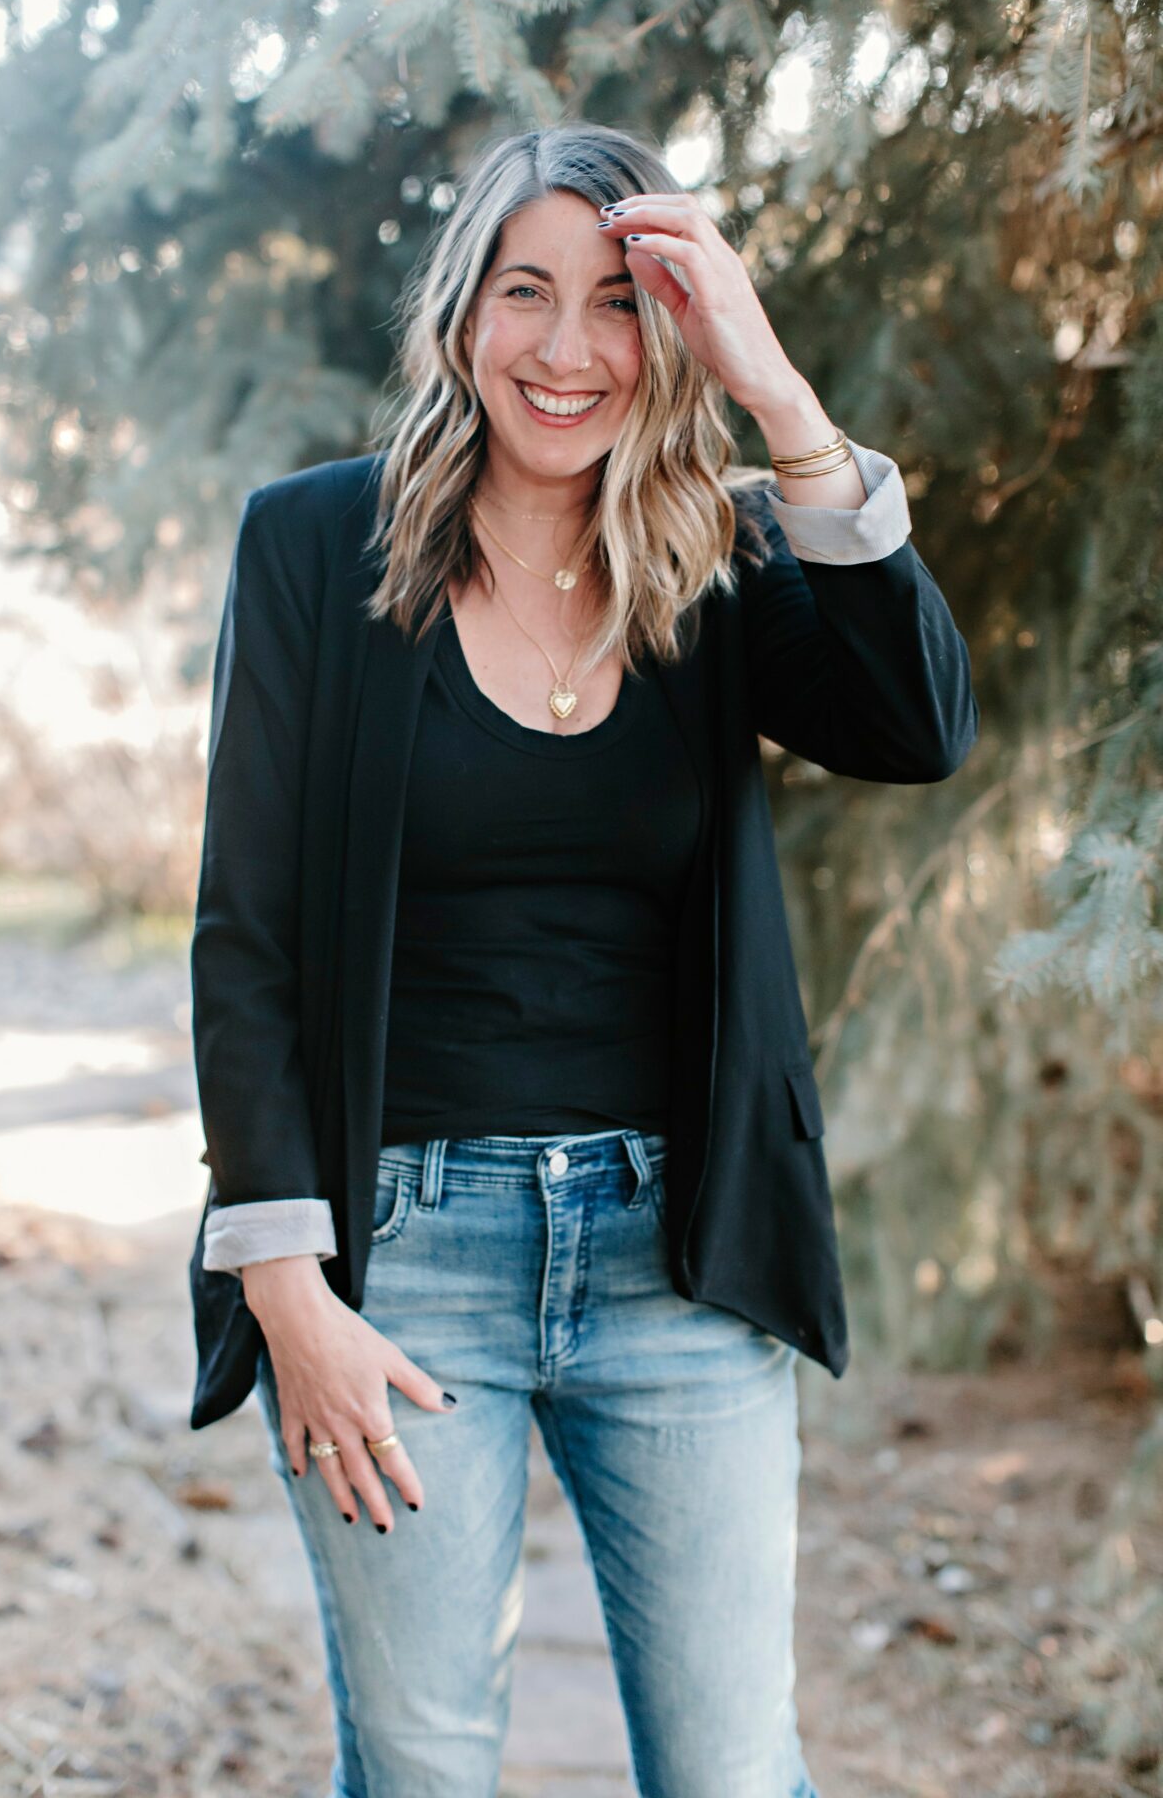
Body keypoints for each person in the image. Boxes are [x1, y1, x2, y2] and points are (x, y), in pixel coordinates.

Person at [187, 121, 979, 1798]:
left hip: (679, 1257)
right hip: (396, 1262)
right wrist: (284, 1287)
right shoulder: (313, 547)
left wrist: (780, 398)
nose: (568, 348)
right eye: (526, 291)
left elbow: (916, 726)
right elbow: (243, 934)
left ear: (673, 329)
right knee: (422, 1769)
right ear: (462, 311)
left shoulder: (720, 557)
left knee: (733, 1768)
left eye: (620, 301)